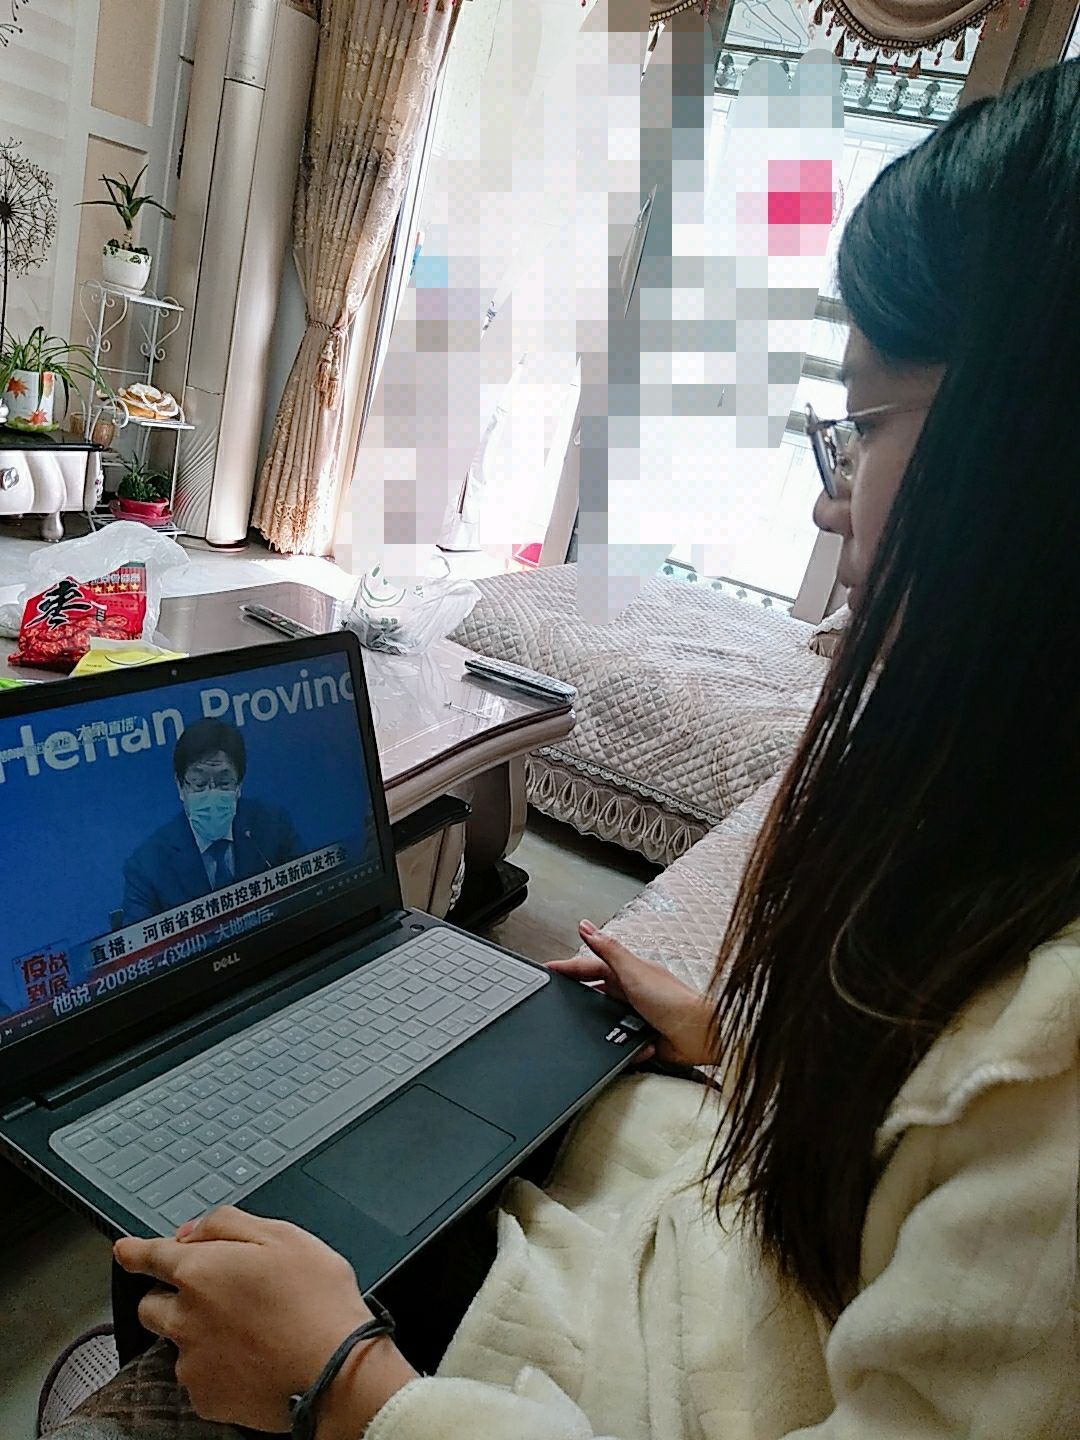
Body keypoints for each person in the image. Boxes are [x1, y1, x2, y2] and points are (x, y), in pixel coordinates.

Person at [59, 59, 1078, 1440]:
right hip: (692, 1249)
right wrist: (745, 1049)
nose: (832, 509)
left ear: (1026, 458)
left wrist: (346, 1386)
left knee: (191, 1260)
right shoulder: (1017, 818)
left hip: (620, 1353)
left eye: (865, 428)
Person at [121, 718, 302, 926]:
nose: (212, 793)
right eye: (199, 784)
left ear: (239, 786)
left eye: (224, 783)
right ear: (180, 786)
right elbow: (140, 940)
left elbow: (308, 893)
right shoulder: (147, 866)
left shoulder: (272, 824)